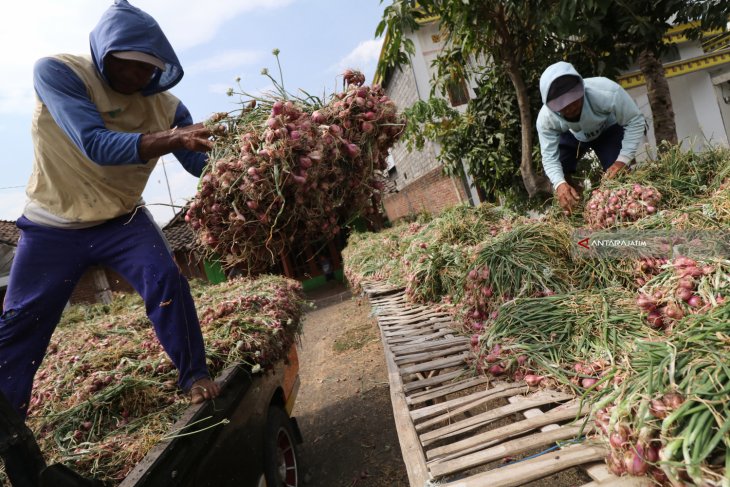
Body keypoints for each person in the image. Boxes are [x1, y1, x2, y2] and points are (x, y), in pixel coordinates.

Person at [0, 0, 222, 417]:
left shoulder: (169, 108)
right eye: (129, 64)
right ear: (105, 55)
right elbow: (95, 144)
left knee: (166, 282)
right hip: (53, 224)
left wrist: (248, 153)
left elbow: (200, 165)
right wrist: (171, 139)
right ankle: (7, 416)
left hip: (123, 221)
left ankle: (195, 375)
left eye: (149, 68)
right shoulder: (59, 73)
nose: (139, 76)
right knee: (20, 322)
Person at [536, 61, 646, 214]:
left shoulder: (606, 91)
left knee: (620, 177)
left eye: (574, 100)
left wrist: (622, 160)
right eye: (563, 105)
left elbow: (635, 120)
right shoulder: (546, 119)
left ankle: (626, 211)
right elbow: (549, 157)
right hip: (572, 134)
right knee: (558, 176)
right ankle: (576, 208)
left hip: (608, 130)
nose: (571, 107)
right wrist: (559, 183)